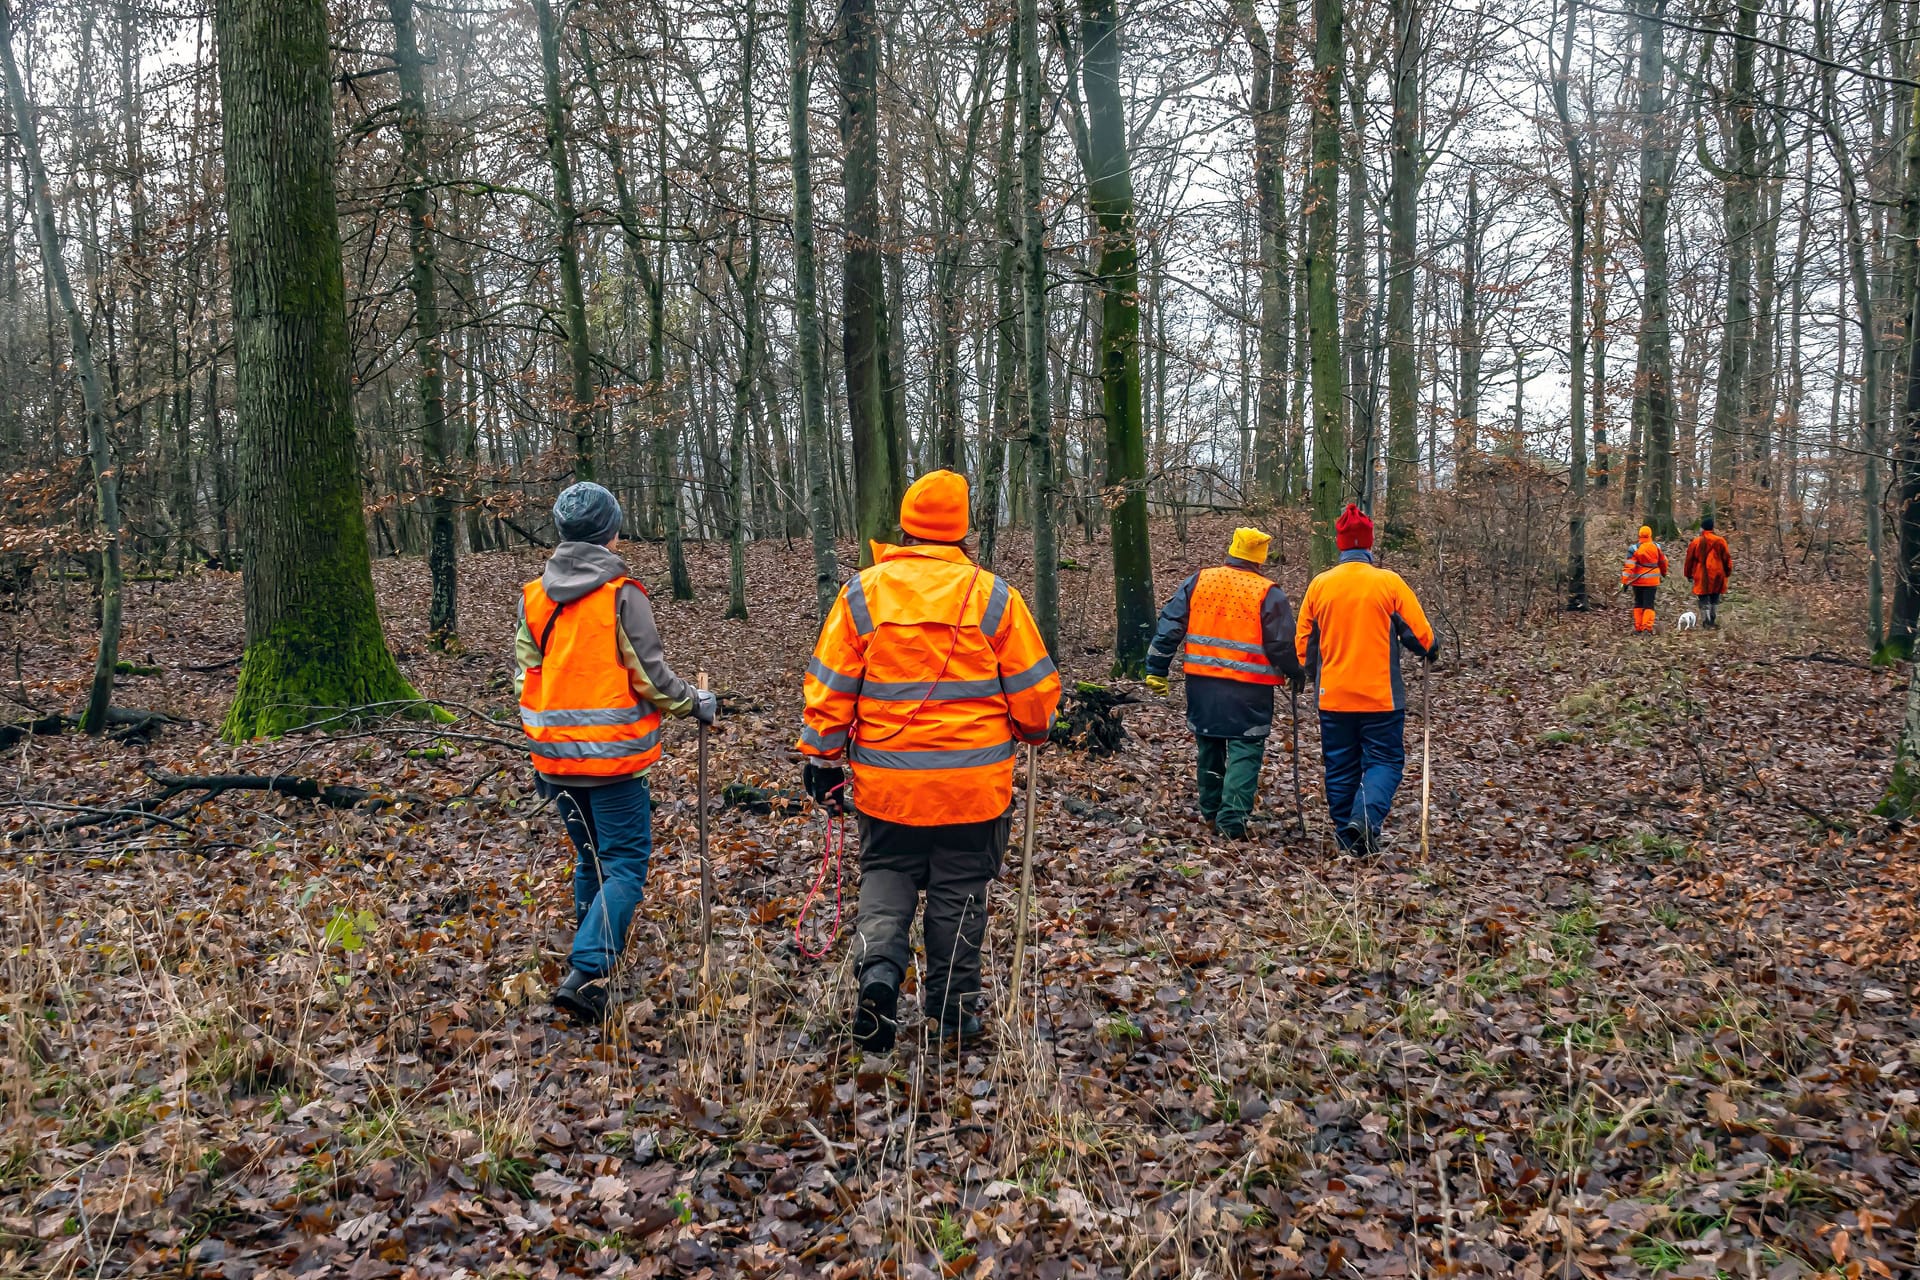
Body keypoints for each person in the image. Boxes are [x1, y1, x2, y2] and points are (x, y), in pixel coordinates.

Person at [798, 469, 1061, 1053]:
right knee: (960, 892)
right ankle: (953, 1014)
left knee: (886, 876)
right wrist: (1034, 730)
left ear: (907, 524)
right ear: (962, 529)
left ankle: (879, 979)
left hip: (888, 786)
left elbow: (830, 685)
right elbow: (1037, 694)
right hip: (973, 789)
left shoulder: (862, 593)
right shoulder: (995, 597)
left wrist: (820, 758)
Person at [515, 481, 717, 1025]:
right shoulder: (623, 592)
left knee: (590, 859)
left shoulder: (534, 596)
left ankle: (590, 953)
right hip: (612, 763)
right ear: (613, 531)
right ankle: (589, 972)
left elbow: (524, 675)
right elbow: (649, 675)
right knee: (624, 864)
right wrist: (696, 703)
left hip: (554, 760)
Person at [1142, 526, 1305, 840]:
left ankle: (1211, 811)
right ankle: (1232, 819)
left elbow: (1170, 624)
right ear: (1259, 558)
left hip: (1202, 685)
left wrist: (1157, 667)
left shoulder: (1199, 580)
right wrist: (1296, 672)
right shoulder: (1268, 592)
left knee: (1209, 744)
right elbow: (1281, 644)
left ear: (1232, 550)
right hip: (1249, 687)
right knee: (1245, 748)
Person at [1294, 504, 1437, 854]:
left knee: (1340, 766)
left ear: (1341, 544)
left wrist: (1308, 675)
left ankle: (1349, 838)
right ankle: (1366, 820)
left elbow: (1302, 645)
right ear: (1369, 544)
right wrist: (1431, 650)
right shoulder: (1389, 583)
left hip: (1334, 698)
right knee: (1385, 762)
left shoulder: (1320, 585)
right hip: (1381, 698)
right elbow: (1422, 639)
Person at [1684, 515, 1732, 628]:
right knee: (1715, 597)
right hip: (1718, 574)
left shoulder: (1696, 542)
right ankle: (1713, 617)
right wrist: (1727, 571)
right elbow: (1727, 558)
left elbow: (1689, 560)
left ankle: (1706, 620)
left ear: (1702, 528)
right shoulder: (1721, 541)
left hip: (1702, 573)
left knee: (1703, 597)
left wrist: (1688, 574)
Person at [1620, 524, 1670, 633]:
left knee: (1638, 603)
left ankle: (1638, 628)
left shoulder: (1633, 549)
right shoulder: (1657, 547)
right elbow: (1663, 562)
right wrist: (1664, 573)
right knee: (1649, 604)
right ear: (1650, 535)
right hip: (1652, 581)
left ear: (1639, 535)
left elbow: (1629, 566)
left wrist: (1624, 582)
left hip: (1637, 581)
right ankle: (1647, 628)